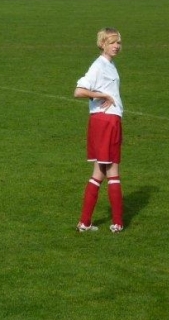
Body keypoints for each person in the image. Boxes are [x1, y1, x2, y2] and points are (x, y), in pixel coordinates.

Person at [73, 27, 125, 233]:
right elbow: (78, 91)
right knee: (112, 171)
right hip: (107, 121)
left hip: (104, 121)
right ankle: (118, 223)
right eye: (112, 42)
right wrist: (103, 96)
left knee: (100, 172)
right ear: (102, 43)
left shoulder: (109, 65)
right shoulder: (99, 66)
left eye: (118, 43)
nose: (117, 46)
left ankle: (85, 223)